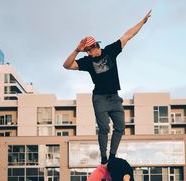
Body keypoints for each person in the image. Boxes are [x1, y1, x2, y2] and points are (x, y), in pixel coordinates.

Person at [63, 11, 152, 164]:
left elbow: (127, 36)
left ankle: (112, 155)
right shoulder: (87, 62)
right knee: (104, 128)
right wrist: (77, 50)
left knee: (120, 127)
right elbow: (67, 65)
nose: (89, 54)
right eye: (86, 52)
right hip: (99, 99)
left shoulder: (110, 51)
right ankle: (103, 157)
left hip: (114, 97)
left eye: (89, 51)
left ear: (95, 46)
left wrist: (142, 22)